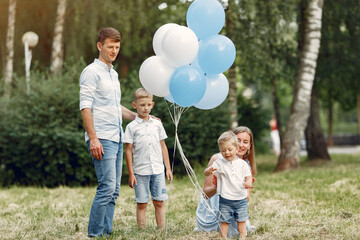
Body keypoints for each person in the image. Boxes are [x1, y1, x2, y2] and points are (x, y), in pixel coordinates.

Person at [79, 27, 137, 238]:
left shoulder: (112, 74)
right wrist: (93, 138)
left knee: (114, 191)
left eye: (117, 47)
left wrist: (138, 116)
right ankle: (94, 235)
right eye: (110, 47)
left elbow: (115, 107)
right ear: (99, 46)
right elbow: (85, 106)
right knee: (106, 187)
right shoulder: (91, 72)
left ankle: (106, 233)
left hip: (117, 137)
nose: (114, 51)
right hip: (102, 137)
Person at [123, 88, 173, 229]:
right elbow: (128, 151)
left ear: (152, 104)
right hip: (140, 172)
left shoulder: (157, 124)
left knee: (159, 201)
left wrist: (168, 168)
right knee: (142, 203)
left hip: (157, 170)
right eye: (142, 105)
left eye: (148, 105)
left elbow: (163, 146)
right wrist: (131, 173)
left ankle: (161, 229)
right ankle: (142, 230)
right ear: (135, 105)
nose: (145, 108)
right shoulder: (131, 127)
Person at [195, 126, 257, 238]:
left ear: (250, 146)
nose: (241, 145)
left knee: (243, 228)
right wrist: (217, 187)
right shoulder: (218, 160)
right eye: (238, 141)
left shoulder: (245, 165)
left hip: (235, 203)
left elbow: (246, 199)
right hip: (215, 207)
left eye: (245, 142)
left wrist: (246, 185)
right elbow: (205, 194)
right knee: (228, 230)